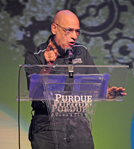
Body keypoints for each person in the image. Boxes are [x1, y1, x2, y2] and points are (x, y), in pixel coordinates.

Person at [25, 10, 126, 149]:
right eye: (69, 30)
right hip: (46, 126)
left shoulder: (81, 52)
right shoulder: (35, 56)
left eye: (77, 32)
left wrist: (106, 92)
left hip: (79, 125)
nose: (74, 36)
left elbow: (93, 85)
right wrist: (48, 66)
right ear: (54, 28)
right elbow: (35, 91)